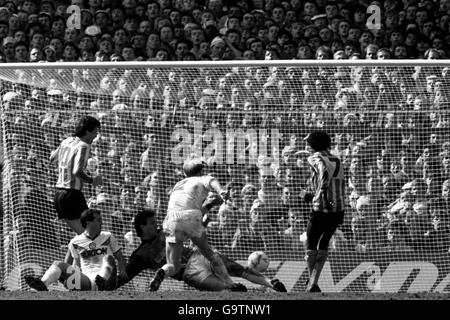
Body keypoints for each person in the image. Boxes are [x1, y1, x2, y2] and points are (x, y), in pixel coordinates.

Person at [115, 208, 286, 292]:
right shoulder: (139, 255)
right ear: (142, 227)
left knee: (237, 268)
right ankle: (232, 289)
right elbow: (124, 277)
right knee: (225, 288)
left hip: (199, 256)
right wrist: (104, 285)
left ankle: (272, 283)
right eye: (152, 223)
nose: (156, 224)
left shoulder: (166, 231)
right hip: (190, 273)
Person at [149, 158, 235, 291]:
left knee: (173, 265)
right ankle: (230, 284)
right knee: (209, 253)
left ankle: (162, 272)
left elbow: (185, 208)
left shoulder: (178, 185)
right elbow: (212, 182)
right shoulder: (203, 178)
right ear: (202, 170)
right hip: (190, 217)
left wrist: (210, 204)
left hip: (171, 219)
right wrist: (221, 191)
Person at [24, 209, 126, 291]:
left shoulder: (108, 236)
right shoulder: (75, 242)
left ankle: (102, 282)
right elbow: (76, 265)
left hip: (108, 281)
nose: (101, 222)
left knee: (108, 257)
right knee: (58, 264)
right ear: (88, 222)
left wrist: (122, 272)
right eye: (98, 220)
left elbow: (120, 258)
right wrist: (70, 280)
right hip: (89, 282)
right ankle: (42, 285)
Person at [300, 131, 345, 293]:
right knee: (324, 243)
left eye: (308, 142)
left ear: (313, 144)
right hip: (338, 208)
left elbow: (323, 172)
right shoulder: (337, 159)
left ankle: (311, 282)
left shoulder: (314, 158)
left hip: (322, 207)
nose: (306, 144)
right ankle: (313, 282)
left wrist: (316, 196)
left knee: (310, 243)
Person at [50, 115, 103, 235]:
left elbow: (52, 158)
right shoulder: (83, 146)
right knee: (91, 234)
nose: (95, 136)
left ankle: (72, 254)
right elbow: (77, 171)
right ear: (87, 131)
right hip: (72, 195)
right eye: (95, 132)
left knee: (82, 236)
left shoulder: (66, 141)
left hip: (58, 195)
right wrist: (92, 180)